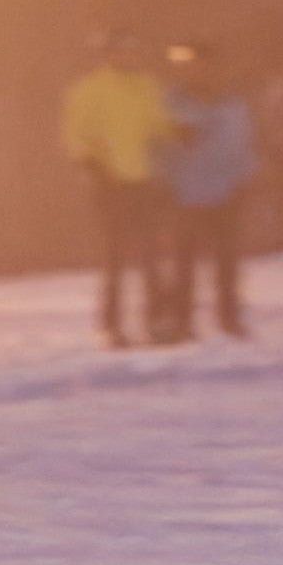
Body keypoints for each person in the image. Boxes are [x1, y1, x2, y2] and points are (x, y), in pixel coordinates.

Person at [61, 31, 181, 347]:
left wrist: (174, 141)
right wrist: (94, 168)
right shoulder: (90, 90)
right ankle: (111, 326)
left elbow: (160, 127)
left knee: (152, 255)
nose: (127, 57)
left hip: (145, 183)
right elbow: (77, 136)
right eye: (121, 51)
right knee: (114, 257)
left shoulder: (147, 88)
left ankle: (158, 321)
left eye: (132, 51)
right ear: (108, 54)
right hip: (109, 185)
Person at [165, 46, 258, 339]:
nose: (200, 71)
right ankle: (182, 322)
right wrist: (164, 183)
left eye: (206, 65)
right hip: (186, 193)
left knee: (226, 263)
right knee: (184, 263)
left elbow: (243, 145)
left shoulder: (232, 105)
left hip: (225, 192)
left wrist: (246, 179)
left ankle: (229, 319)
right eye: (192, 66)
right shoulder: (173, 104)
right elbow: (161, 147)